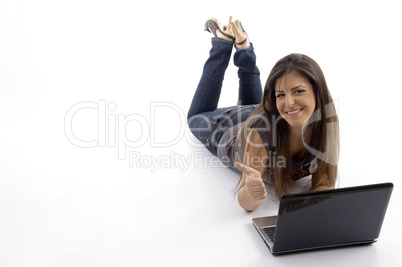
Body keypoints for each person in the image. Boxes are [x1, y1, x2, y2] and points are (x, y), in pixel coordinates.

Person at [187, 17, 339, 212]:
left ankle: (244, 46)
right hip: (225, 126)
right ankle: (222, 42)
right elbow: (246, 203)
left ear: (318, 92)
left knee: (255, 106)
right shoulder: (261, 134)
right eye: (280, 95)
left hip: (258, 111)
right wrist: (251, 191)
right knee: (195, 117)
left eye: (299, 91)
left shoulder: (325, 126)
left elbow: (324, 185)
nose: (289, 102)